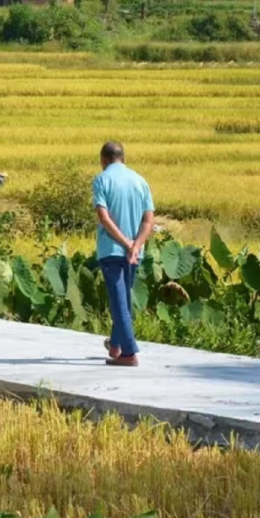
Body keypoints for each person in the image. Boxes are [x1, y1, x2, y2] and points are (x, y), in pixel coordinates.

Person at [92, 141, 154, 367]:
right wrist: (136, 245)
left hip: (112, 251)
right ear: (123, 158)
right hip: (135, 253)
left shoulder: (102, 180)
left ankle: (129, 353)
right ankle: (116, 345)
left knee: (119, 304)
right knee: (124, 300)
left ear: (104, 159)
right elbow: (149, 220)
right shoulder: (140, 181)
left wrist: (126, 243)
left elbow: (103, 217)